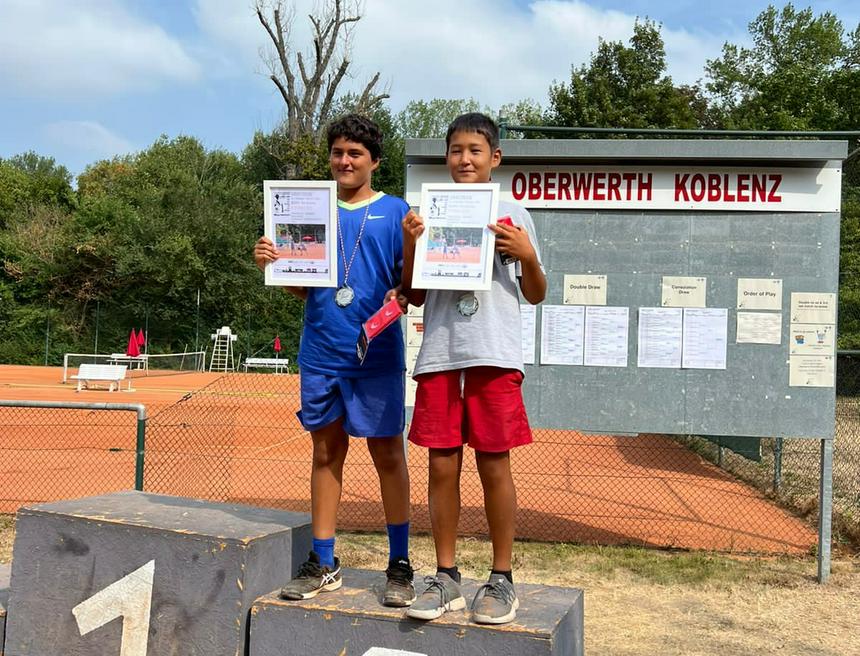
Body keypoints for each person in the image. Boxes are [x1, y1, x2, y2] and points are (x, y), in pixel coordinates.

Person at [253, 114, 415, 607]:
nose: (345, 161)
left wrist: (404, 285)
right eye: (338, 152)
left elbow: (411, 289)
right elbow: (304, 286)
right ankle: (323, 561)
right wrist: (273, 262)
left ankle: (400, 563)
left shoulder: (395, 212)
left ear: (374, 162)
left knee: (388, 455)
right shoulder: (311, 209)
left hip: (376, 352)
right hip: (322, 350)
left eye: (355, 154)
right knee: (326, 453)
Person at [401, 113, 546, 625]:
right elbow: (414, 294)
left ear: (495, 158)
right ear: (446, 157)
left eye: (475, 150)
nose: (465, 158)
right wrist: (413, 243)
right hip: (441, 352)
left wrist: (528, 256)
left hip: (494, 354)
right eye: (456, 149)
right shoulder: (427, 212)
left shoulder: (513, 213)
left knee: (494, 464)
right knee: (441, 466)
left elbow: (534, 293)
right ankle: (446, 576)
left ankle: (502, 577)